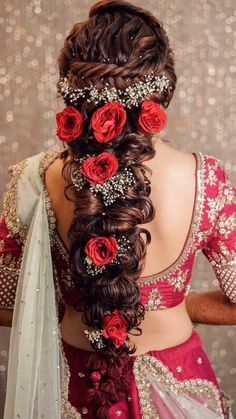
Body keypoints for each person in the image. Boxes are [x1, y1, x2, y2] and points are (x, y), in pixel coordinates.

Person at [0, 1, 235, 418]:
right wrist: (182, 303)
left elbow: (6, 301)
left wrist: (83, 302)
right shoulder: (206, 180)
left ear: (72, 89)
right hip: (180, 387)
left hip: (74, 390)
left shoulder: (34, 179)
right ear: (160, 90)